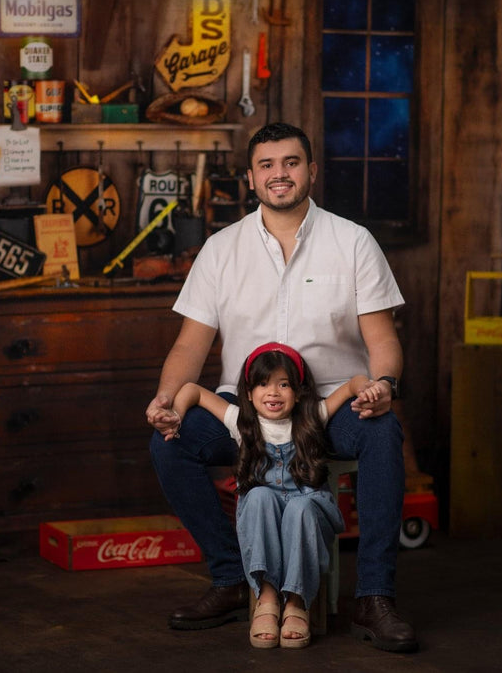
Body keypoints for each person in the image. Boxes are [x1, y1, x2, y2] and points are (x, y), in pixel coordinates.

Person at [146, 122, 417, 653]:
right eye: (267, 165)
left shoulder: (352, 241)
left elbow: (382, 339)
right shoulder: (221, 250)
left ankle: (373, 595)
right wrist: (165, 400)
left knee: (384, 433)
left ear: (311, 170)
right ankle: (229, 578)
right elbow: (189, 346)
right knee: (168, 442)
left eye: (291, 163)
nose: (280, 174)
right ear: (251, 178)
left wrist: (383, 384)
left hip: (331, 405)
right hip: (246, 409)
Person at [158, 342, 376, 648]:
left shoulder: (312, 416)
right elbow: (193, 390)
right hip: (264, 511)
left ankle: (297, 602)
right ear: (247, 392)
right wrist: (176, 415)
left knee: (300, 507)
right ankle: (268, 596)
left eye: (283, 385)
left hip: (309, 506)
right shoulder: (241, 422)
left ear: (298, 392)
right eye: (262, 384)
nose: (272, 393)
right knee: (258, 496)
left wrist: (367, 387)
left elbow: (352, 384)